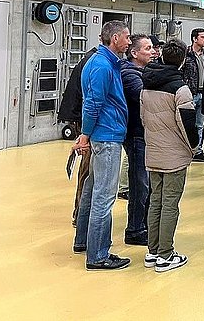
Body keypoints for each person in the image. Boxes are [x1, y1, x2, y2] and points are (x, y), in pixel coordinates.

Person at [72, 20, 132, 270]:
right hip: (106, 136)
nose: (129, 42)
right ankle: (98, 255)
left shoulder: (104, 62)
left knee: (91, 189)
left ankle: (83, 241)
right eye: (127, 37)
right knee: (104, 196)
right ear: (115, 38)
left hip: (104, 133)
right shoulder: (101, 65)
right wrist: (85, 134)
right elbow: (93, 103)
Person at [140, 39, 198, 272]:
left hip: (153, 150)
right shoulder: (180, 89)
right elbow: (187, 124)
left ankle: (152, 251)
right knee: (170, 203)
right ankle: (165, 254)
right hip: (174, 154)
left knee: (155, 201)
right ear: (182, 61)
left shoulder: (146, 84)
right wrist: (193, 148)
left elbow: (143, 118)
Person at [120, 34, 155, 247]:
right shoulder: (129, 74)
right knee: (139, 184)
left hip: (145, 134)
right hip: (135, 134)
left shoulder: (144, 72)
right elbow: (145, 98)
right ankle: (134, 229)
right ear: (134, 53)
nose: (153, 52)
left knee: (146, 184)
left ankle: (144, 225)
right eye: (147, 48)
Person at [58, 45, 97, 226]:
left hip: (84, 121)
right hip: (87, 123)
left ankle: (81, 213)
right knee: (87, 171)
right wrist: (85, 132)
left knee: (87, 170)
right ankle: (80, 214)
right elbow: (89, 100)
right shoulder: (94, 62)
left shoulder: (91, 60)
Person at [182, 28, 204, 162]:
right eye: (203, 37)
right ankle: (186, 148)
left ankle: (197, 150)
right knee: (188, 123)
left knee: (200, 125)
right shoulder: (186, 54)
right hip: (190, 93)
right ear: (194, 39)